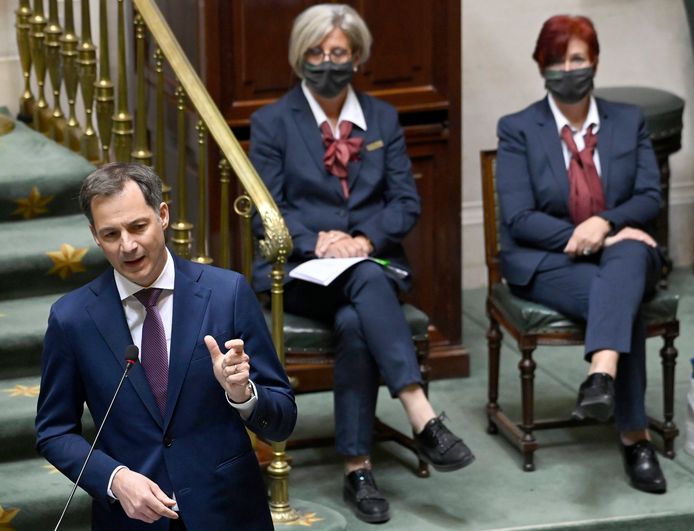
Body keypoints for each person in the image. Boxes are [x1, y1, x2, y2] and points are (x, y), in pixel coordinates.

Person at [249, 3, 474, 524]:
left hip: (367, 267)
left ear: (357, 57)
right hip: (301, 273)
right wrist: (318, 240)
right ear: (299, 56)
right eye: (316, 52)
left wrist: (365, 238)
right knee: (365, 281)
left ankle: (357, 468)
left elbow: (405, 203)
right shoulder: (273, 122)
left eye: (339, 53)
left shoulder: (383, 118)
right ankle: (421, 413)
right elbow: (267, 213)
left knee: (355, 321)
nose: (328, 62)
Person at [35, 162, 297, 530]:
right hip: (131, 519)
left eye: (138, 227)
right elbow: (54, 431)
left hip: (227, 511)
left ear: (162, 215)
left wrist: (243, 395)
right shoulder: (72, 318)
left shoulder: (227, 294)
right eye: (111, 234)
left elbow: (282, 419)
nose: (128, 245)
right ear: (95, 236)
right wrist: (114, 479)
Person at [496, 15, 666, 493]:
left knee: (627, 265)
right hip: (550, 262)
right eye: (556, 60)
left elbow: (650, 196)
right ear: (541, 66)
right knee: (622, 289)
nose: (567, 69)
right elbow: (519, 217)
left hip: (623, 255)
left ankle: (600, 378)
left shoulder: (628, 120)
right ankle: (635, 439)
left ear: (594, 62)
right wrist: (601, 235)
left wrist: (607, 222)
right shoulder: (518, 129)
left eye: (577, 58)